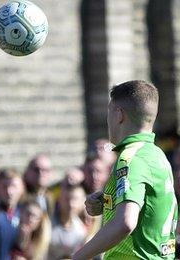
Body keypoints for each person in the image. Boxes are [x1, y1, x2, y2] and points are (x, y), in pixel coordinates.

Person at [73, 80, 177, 259]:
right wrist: (109, 201)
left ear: (119, 115)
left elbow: (126, 222)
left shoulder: (130, 158)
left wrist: (79, 256)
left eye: (109, 113)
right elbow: (148, 208)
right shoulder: (157, 155)